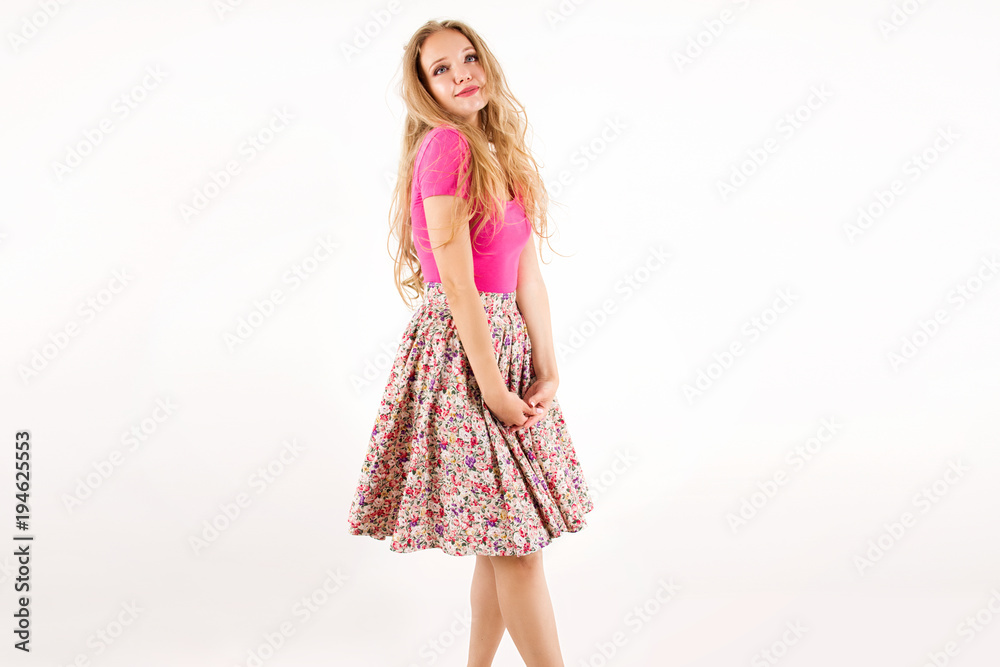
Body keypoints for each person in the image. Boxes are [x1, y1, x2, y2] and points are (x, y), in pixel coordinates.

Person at [347, 18, 594, 667]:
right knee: (516, 544)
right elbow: (457, 285)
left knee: (504, 536)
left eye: (468, 58)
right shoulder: (448, 147)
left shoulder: (496, 151)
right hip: (464, 355)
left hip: (505, 353)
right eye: (442, 69)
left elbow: (528, 276)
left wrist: (547, 368)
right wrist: (491, 388)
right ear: (425, 89)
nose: (461, 74)